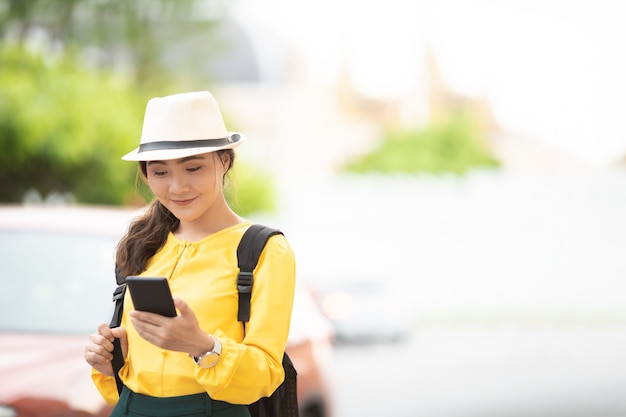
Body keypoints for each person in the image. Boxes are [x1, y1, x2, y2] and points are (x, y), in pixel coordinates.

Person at [84, 91, 296, 417]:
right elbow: (126, 386)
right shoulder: (142, 244)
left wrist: (202, 345)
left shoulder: (263, 250)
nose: (177, 187)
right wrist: (112, 361)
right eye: (160, 172)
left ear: (224, 161)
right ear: (145, 174)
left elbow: (265, 373)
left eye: (193, 168)